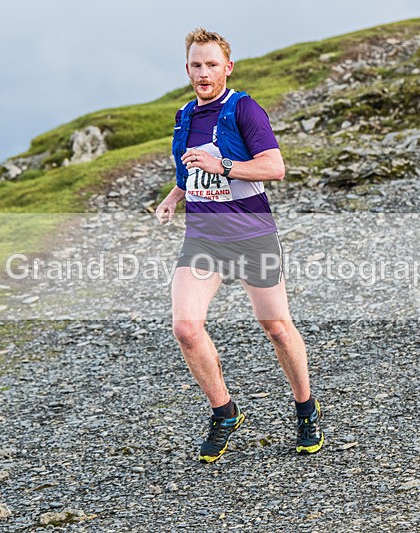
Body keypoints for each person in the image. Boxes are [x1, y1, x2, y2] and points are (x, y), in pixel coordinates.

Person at [155, 28, 324, 462]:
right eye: (196, 64)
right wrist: (174, 197)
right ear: (187, 69)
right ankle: (224, 411)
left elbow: (275, 167)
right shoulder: (184, 116)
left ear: (227, 68)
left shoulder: (244, 109)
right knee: (186, 329)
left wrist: (223, 164)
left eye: (212, 64)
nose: (203, 72)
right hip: (204, 240)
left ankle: (306, 409)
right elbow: (189, 170)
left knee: (277, 328)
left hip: (252, 236)